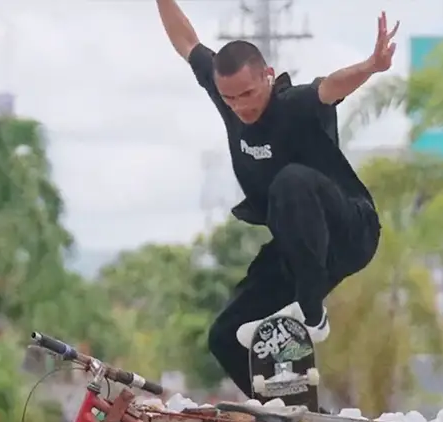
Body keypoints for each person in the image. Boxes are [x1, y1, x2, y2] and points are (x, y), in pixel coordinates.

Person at [155, 0, 398, 398]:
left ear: (268, 76)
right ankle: (289, 412)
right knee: (227, 335)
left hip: (350, 231)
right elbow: (187, 42)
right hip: (299, 247)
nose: (241, 106)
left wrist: (371, 66)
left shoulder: (293, 104)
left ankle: (312, 314)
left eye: (248, 94)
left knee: (290, 181)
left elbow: (330, 87)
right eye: (230, 99)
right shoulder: (227, 94)